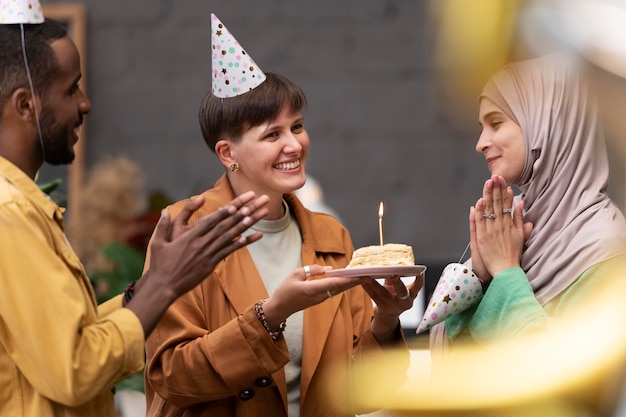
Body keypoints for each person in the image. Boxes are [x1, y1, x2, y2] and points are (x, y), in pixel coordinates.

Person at [143, 16, 422, 417]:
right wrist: (271, 315)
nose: (294, 144)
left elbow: (362, 392)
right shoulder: (185, 230)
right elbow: (172, 377)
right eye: (272, 135)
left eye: (298, 126)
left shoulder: (331, 237)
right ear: (228, 154)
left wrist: (387, 319)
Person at [0, 17, 270, 417]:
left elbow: (67, 338)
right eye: (71, 88)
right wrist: (164, 283)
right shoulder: (11, 214)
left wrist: (145, 288)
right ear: (26, 104)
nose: (85, 103)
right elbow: (75, 369)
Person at [430, 54, 626, 355]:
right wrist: (480, 280)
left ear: (547, 124)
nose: (480, 143)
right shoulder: (510, 230)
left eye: (495, 123)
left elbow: (568, 378)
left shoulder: (608, 252)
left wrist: (507, 273)